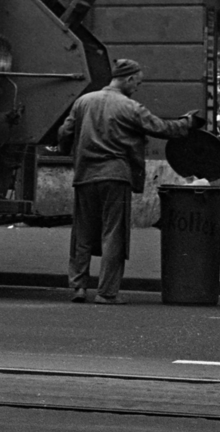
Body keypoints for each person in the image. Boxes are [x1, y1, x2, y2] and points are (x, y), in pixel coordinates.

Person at [56, 57, 195, 304]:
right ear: (129, 79)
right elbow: (161, 128)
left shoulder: (83, 101)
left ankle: (78, 287)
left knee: (82, 233)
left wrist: (68, 150)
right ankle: (106, 292)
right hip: (115, 175)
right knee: (113, 234)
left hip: (85, 175)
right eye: (137, 83)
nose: (136, 88)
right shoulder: (130, 107)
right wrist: (187, 123)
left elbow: (65, 132)